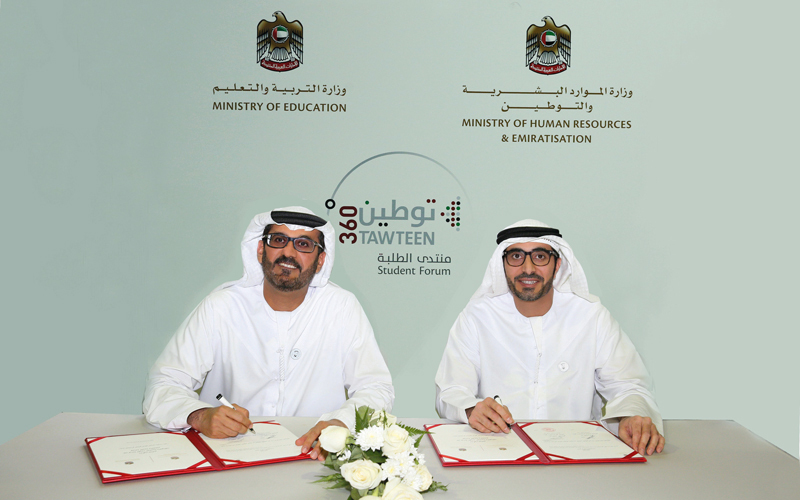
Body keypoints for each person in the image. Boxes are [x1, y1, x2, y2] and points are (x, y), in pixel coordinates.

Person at [143, 207, 394, 460]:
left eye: (304, 244)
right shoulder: (222, 307)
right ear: (261, 250)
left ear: (320, 261)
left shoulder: (341, 308)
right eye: (279, 240)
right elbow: (164, 384)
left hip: (315, 457)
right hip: (231, 454)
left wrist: (341, 423)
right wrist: (199, 416)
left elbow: (376, 387)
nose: (288, 252)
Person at [434, 219, 664, 455]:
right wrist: (471, 409)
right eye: (516, 256)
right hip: (499, 451)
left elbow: (628, 385)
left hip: (576, 454)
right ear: (502, 265)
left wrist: (631, 415)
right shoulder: (477, 317)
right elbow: (450, 389)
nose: (528, 269)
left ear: (558, 264)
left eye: (540, 257)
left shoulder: (591, 316)